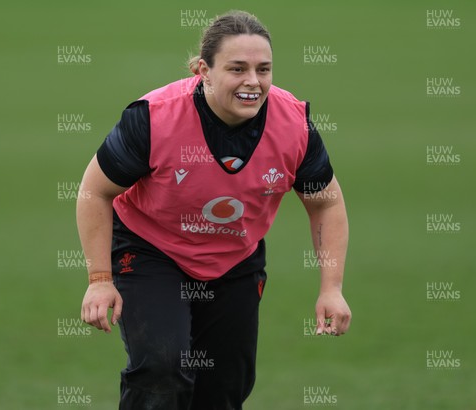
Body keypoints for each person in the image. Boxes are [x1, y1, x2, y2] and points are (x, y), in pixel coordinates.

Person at [77, 10, 351, 410]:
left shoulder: (293, 124)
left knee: (224, 390)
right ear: (202, 69)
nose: (253, 83)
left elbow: (325, 204)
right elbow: (93, 192)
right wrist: (100, 279)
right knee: (161, 368)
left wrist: (332, 288)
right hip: (152, 250)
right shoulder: (153, 119)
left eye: (263, 69)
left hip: (234, 260)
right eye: (237, 69)